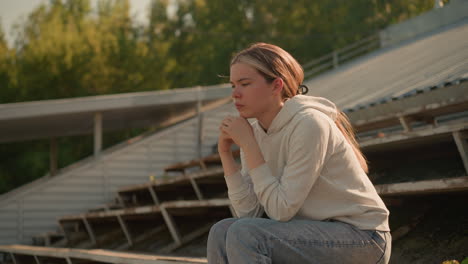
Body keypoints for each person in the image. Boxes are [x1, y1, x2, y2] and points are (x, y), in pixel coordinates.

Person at [207, 42, 391, 264]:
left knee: (246, 234)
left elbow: (281, 211)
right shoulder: (254, 132)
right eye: (232, 85)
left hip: (363, 238)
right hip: (309, 233)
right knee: (222, 231)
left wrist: (249, 146)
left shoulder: (310, 124)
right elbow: (249, 214)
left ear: (276, 86)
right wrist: (226, 154)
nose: (235, 94)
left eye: (244, 84)